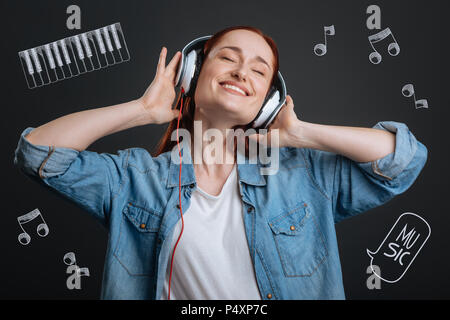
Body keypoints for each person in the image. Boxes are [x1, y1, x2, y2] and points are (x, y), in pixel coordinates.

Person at [14, 25, 428, 300]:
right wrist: (141, 110)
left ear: (266, 101)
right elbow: (38, 153)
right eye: (228, 58)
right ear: (194, 74)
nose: (242, 71)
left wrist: (301, 133)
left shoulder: (302, 175)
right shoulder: (134, 180)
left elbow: (402, 159)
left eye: (259, 70)